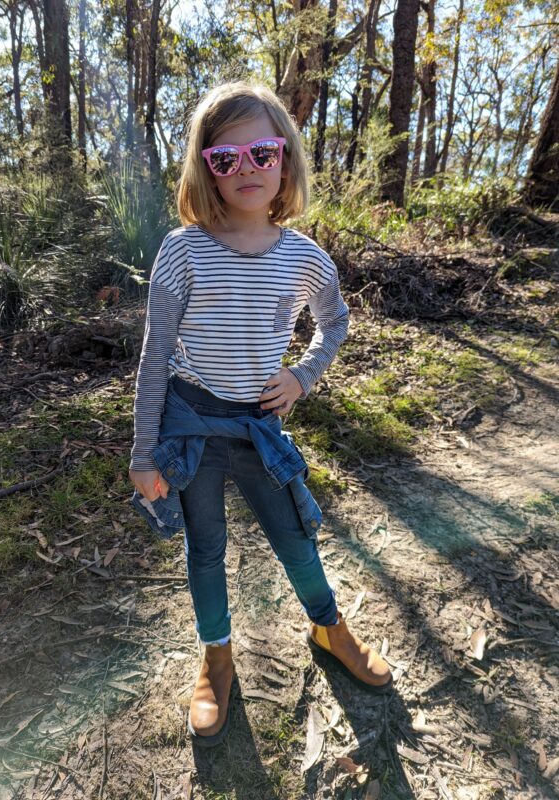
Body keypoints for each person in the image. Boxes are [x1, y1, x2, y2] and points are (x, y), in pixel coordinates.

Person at [128, 80, 392, 747]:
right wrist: (142, 452)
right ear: (205, 170)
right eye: (225, 159)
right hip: (189, 423)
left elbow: (334, 324)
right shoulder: (182, 251)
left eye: (261, 154)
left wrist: (302, 376)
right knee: (206, 547)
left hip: (257, 425)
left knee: (293, 534)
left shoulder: (305, 257)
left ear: (285, 160)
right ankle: (217, 657)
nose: (245, 169)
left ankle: (329, 628)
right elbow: (156, 355)